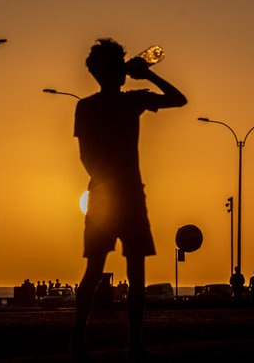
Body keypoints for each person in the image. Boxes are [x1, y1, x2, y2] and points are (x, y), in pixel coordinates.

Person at [71, 38, 187, 360]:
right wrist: (147, 75)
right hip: (127, 195)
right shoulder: (128, 102)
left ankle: (81, 342)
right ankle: (131, 345)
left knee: (95, 271)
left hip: (102, 194)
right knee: (132, 273)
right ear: (112, 70)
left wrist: (103, 180)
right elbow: (178, 100)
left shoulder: (88, 106)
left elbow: (85, 157)